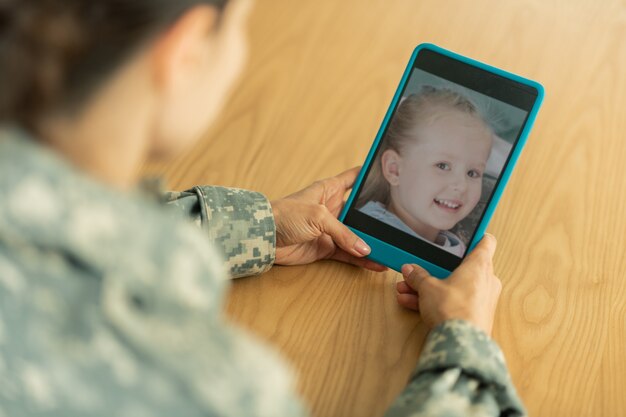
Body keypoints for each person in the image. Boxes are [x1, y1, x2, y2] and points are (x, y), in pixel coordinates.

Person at [0, 0, 526, 416]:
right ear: (184, 51)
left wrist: (257, 227)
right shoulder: (201, 388)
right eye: (240, 25)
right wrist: (465, 347)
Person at [357, 87, 494, 257]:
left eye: (472, 173)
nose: (461, 185)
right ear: (395, 170)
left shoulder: (458, 251)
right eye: (443, 165)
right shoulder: (366, 233)